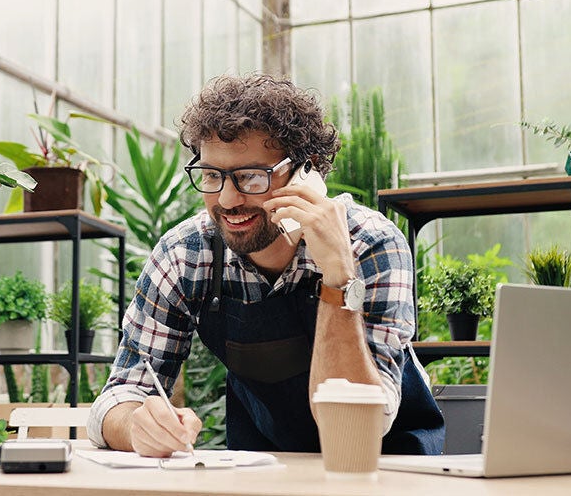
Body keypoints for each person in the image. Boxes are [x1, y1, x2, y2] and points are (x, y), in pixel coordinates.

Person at [86, 74, 444, 457]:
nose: (226, 199)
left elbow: (359, 423)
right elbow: (120, 395)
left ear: (308, 171)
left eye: (251, 177)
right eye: (211, 176)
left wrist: (338, 276)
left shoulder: (370, 243)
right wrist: (136, 426)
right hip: (268, 466)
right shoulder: (186, 254)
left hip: (386, 466)